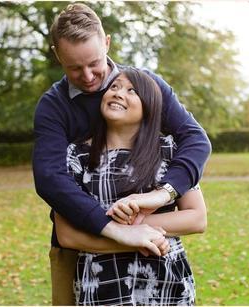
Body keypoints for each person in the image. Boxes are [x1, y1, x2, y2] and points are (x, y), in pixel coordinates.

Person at [32, 3, 211, 305]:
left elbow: (195, 139)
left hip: (159, 267)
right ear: (57, 55)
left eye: (94, 63)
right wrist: (117, 231)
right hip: (84, 253)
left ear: (107, 43)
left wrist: (160, 196)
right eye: (74, 67)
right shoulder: (54, 107)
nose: (88, 76)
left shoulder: (146, 86)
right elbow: (51, 180)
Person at [55, 68, 207, 305]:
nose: (117, 93)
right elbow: (67, 235)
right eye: (113, 87)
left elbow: (197, 218)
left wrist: (131, 228)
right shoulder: (76, 156)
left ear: (150, 105)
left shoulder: (170, 150)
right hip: (102, 289)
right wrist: (131, 236)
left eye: (131, 91)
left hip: (167, 287)